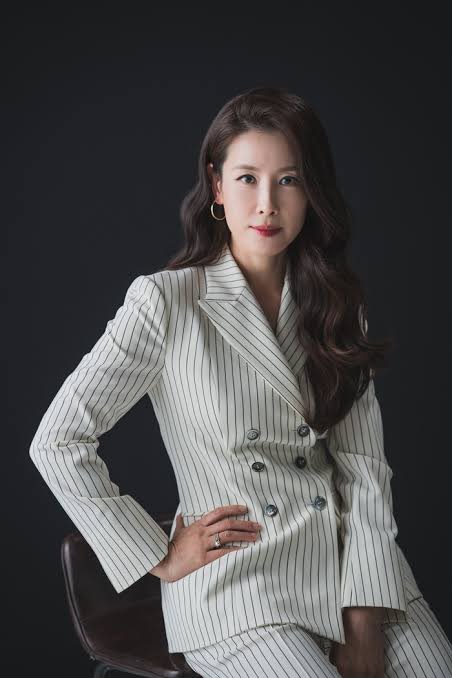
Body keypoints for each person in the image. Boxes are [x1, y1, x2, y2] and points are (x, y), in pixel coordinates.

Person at [29, 86, 452, 677]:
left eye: (288, 180)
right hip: (237, 586)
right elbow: (57, 440)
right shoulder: (167, 302)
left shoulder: (335, 307)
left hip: (350, 566)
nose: (267, 205)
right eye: (248, 178)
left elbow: (363, 469)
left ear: (312, 191)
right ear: (217, 186)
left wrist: (363, 617)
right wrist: (159, 555)